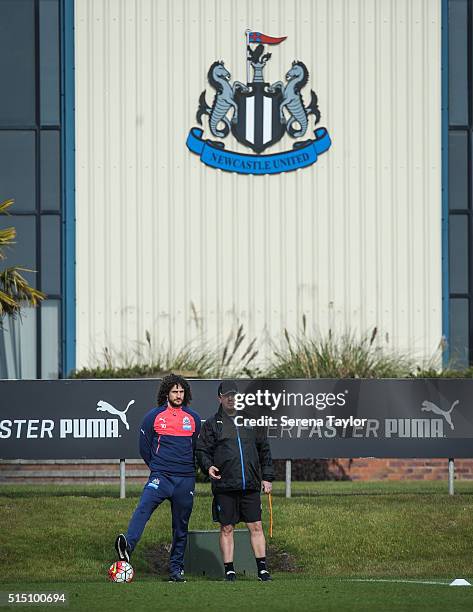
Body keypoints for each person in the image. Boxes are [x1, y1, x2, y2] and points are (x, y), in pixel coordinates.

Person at [114, 373, 201, 582]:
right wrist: (157, 466)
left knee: (180, 526)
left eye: (181, 391)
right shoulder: (153, 416)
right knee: (143, 508)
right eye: (174, 391)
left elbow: (198, 448)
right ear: (166, 393)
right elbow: (144, 448)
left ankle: (176, 570)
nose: (178, 395)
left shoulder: (193, 418)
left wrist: (191, 469)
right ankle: (128, 546)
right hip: (160, 477)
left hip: (185, 480)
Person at [196, 380, 274, 582]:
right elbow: (202, 450)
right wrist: (208, 466)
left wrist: (267, 477)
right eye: (227, 395)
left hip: (250, 484)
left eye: (234, 395)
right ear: (219, 398)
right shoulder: (212, 424)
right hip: (225, 484)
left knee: (256, 526)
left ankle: (262, 570)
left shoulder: (250, 421)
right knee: (227, 528)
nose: (231, 398)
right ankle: (229, 570)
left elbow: (264, 450)